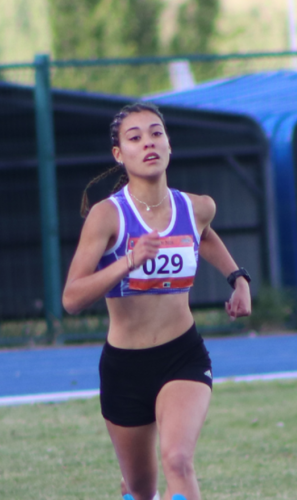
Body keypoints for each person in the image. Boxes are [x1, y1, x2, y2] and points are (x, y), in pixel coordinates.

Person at [62, 102, 252, 500]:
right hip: (125, 367)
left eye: (156, 133)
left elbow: (204, 234)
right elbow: (72, 298)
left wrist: (237, 278)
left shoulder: (197, 207)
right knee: (141, 489)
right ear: (119, 154)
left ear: (169, 144)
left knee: (178, 460)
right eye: (135, 138)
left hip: (183, 356)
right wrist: (127, 262)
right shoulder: (107, 216)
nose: (148, 143)